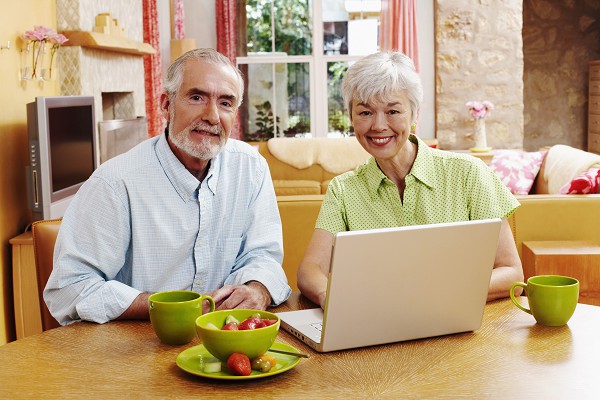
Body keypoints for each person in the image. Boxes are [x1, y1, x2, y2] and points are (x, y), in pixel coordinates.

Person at [44, 48, 291, 325]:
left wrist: (258, 288)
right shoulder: (114, 183)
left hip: (226, 340)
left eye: (225, 103)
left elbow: (263, 255)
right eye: (197, 98)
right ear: (166, 105)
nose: (212, 116)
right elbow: (69, 289)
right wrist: (165, 307)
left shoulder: (251, 168)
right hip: (137, 346)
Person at [297, 51, 524, 309]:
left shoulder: (469, 173)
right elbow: (310, 269)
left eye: (393, 111)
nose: (379, 126)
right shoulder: (343, 190)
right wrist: (332, 297)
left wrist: (430, 294)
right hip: (378, 329)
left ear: (415, 115)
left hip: (459, 327)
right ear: (352, 117)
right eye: (365, 113)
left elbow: (511, 272)